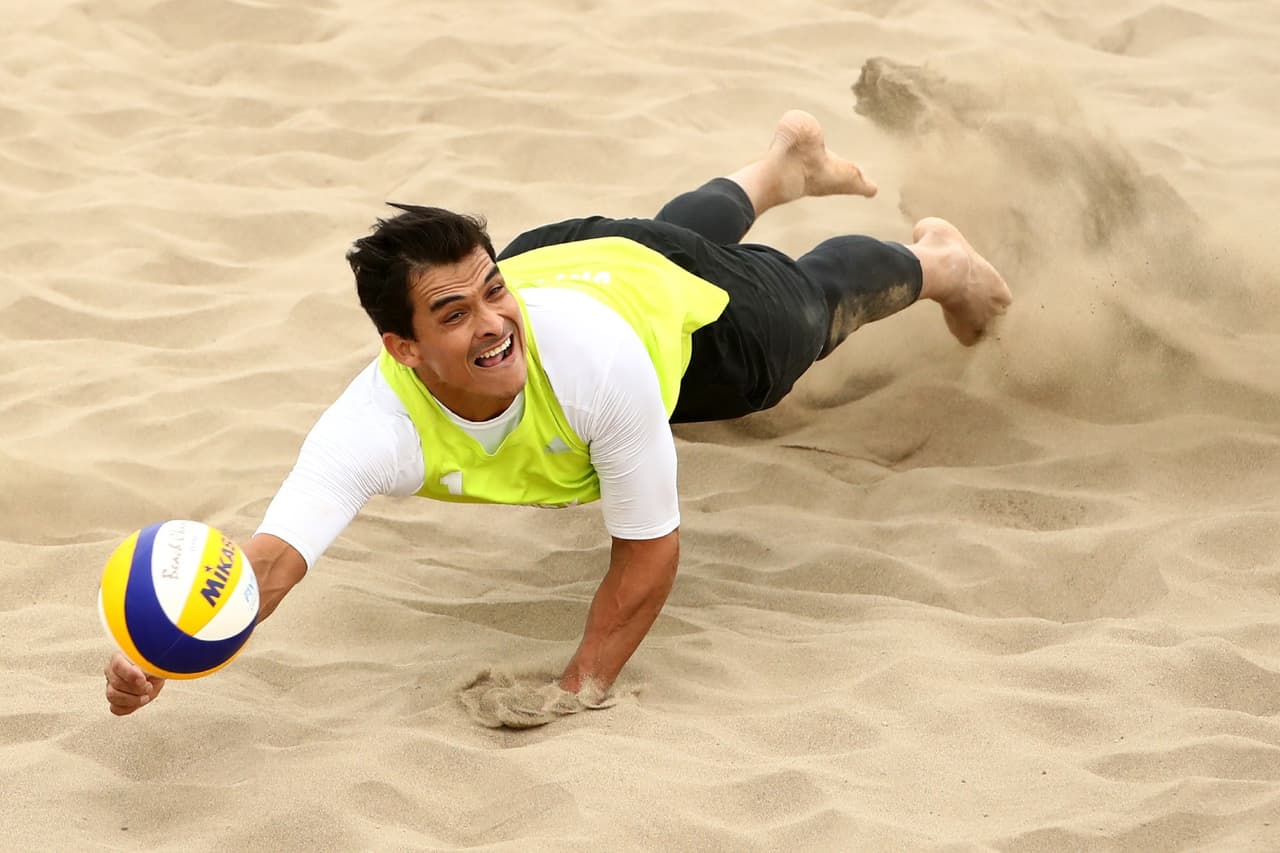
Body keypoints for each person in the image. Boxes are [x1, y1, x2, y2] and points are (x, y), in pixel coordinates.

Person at [104, 110, 1011, 716]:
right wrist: (170, 644)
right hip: (580, 262)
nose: (492, 322)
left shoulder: (593, 371)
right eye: (453, 314)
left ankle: (938, 261)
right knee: (658, 238)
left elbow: (649, 549)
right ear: (403, 349)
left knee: (800, 317)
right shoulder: (368, 426)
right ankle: (776, 170)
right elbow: (273, 559)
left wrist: (580, 688)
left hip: (646, 307)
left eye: (490, 291)